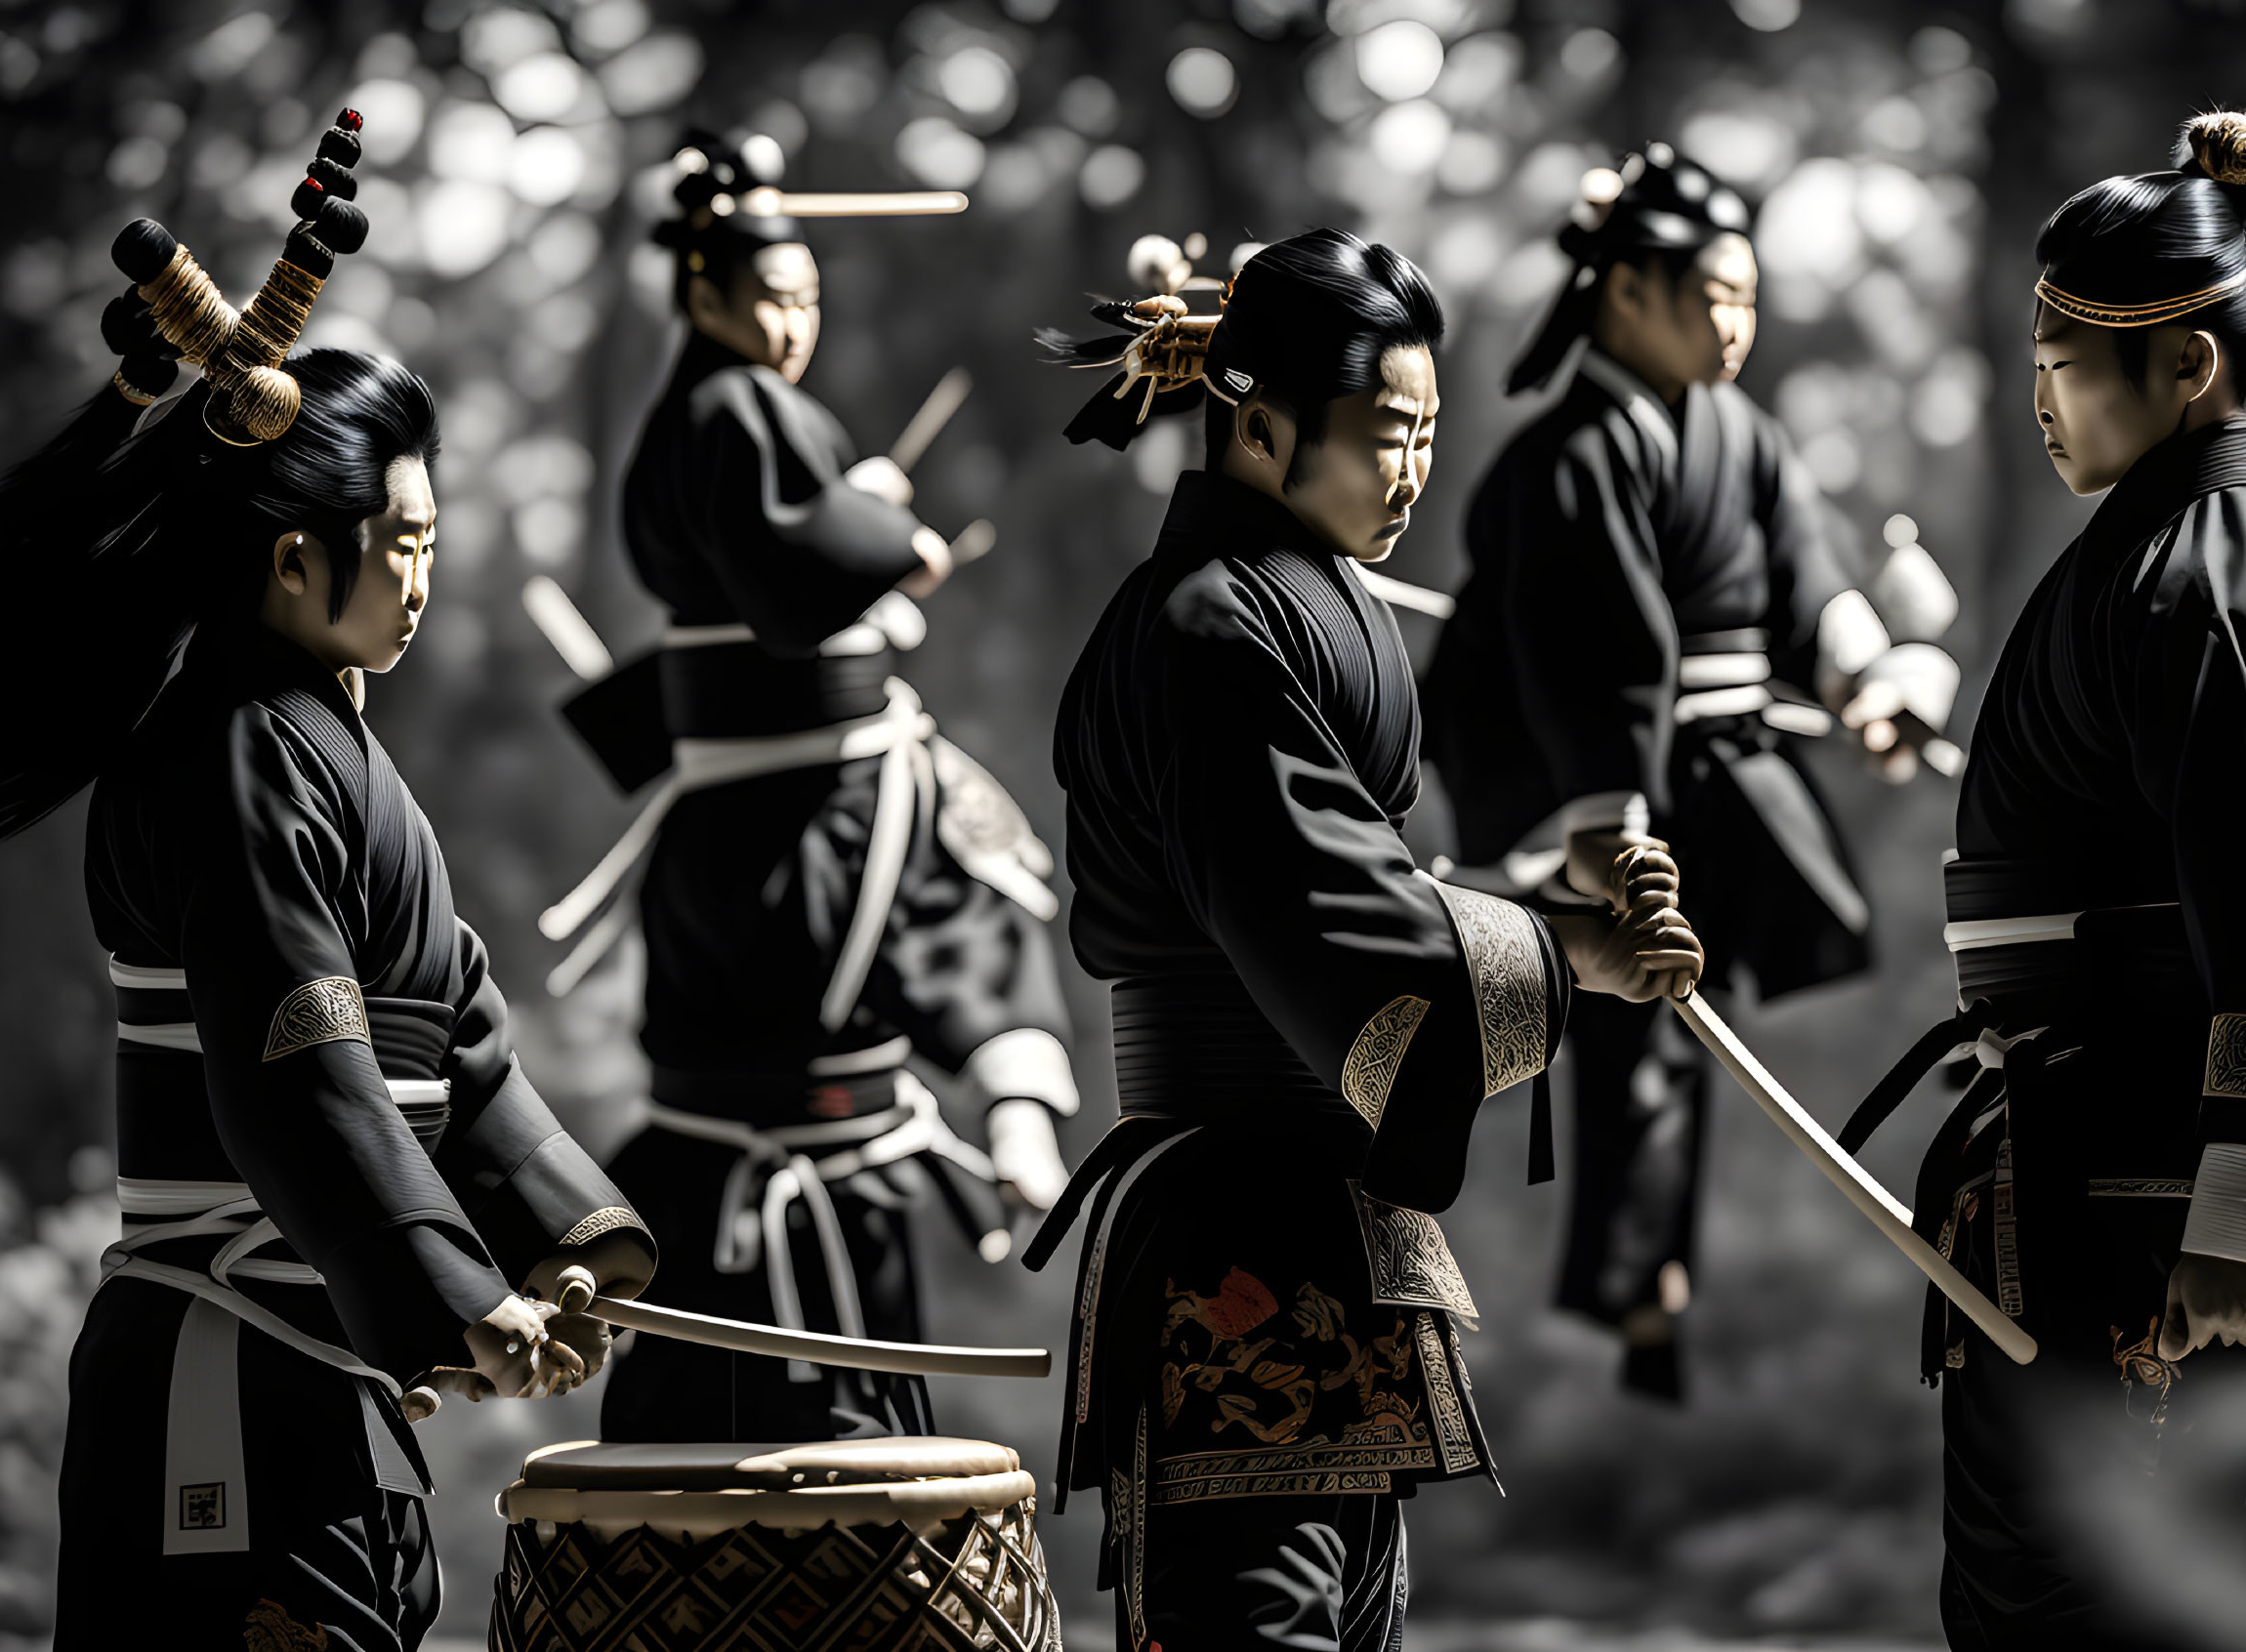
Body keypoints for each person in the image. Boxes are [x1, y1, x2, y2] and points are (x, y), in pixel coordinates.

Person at [0, 141, 653, 1652]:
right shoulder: (235, 759)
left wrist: (573, 1240)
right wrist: (454, 1289)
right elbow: (301, 1066)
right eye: (409, 546)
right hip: (222, 1377)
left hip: (316, 1368)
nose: (426, 580)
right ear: (300, 564)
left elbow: (461, 1046)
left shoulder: (325, 754)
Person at [1027, 227, 1706, 1651]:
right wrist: (1563, 950)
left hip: (1321, 1217)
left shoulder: (1286, 601)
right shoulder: (1208, 632)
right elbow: (1335, 916)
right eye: (1385, 434)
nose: (1411, 471)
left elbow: (1365, 876)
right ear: (1260, 424)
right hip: (1233, 1238)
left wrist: (1567, 924)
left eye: (1425, 434)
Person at [1840, 112, 2246, 1648]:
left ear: (2191, 369)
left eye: (2066, 362)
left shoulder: (2204, 568)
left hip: (2142, 1203)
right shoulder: (2191, 551)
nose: (2038, 402)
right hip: (2104, 1173)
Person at [544, 133, 1081, 1446]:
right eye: (768, 299)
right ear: (705, 297)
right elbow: (806, 567)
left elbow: (800, 553)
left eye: (806, 302)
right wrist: (889, 527)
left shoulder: (700, 436)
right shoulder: (736, 414)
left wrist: (1017, 1120)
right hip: (802, 1170)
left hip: (726, 1198)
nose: (790, 327)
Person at [1423, 145, 1948, 1397]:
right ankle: (1637, 1295)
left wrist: (1867, 681)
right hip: (1593, 786)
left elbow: (1806, 582)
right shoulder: (1566, 458)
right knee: (1633, 1022)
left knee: (1677, 1022)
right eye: (1712, 294)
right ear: (1627, 293)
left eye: (1748, 297)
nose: (1735, 323)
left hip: (1718, 766)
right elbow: (1603, 661)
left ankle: (1652, 1290)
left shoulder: (1745, 436)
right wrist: (1604, 824)